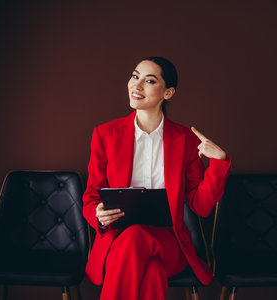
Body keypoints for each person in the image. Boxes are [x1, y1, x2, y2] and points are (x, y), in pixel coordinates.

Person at [82, 56, 231, 300]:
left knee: (136, 236)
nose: (136, 86)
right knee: (152, 272)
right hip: (118, 240)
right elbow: (90, 197)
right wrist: (98, 214)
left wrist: (218, 163)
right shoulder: (105, 134)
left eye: (149, 80)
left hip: (168, 242)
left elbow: (201, 207)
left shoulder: (186, 140)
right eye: (134, 76)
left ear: (168, 92)